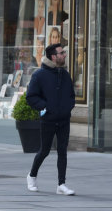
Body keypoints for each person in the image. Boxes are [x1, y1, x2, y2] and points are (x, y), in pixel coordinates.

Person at [26, 43, 76, 195]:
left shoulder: (65, 74)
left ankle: (61, 184)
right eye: (62, 53)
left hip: (63, 120)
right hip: (48, 119)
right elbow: (31, 97)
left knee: (62, 151)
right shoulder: (39, 75)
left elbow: (71, 96)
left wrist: (67, 108)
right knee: (44, 150)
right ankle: (31, 176)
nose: (64, 55)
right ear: (54, 57)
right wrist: (45, 107)